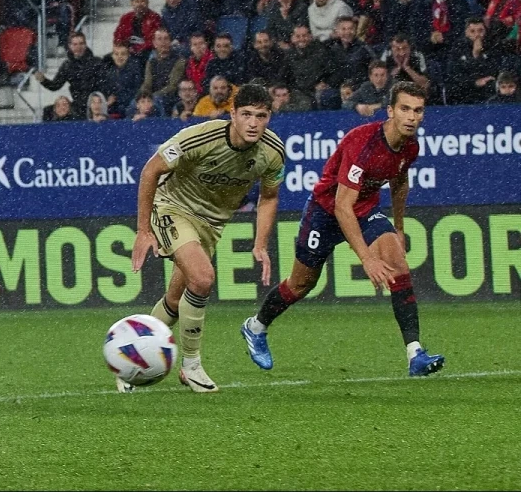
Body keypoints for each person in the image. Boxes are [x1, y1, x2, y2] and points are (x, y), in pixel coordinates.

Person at [239, 82, 445, 378]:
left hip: (364, 211)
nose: (411, 117)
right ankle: (255, 326)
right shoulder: (363, 142)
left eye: (418, 110)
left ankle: (415, 354)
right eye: (404, 109)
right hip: (325, 212)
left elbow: (399, 182)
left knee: (398, 266)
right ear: (390, 111)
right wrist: (367, 259)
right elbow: (341, 206)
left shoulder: (410, 146)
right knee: (300, 285)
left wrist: (398, 227)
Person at [127, 84, 285, 393]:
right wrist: (143, 230)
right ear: (232, 114)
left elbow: (269, 196)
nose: (253, 123)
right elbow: (151, 170)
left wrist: (261, 243)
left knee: (176, 301)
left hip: (212, 225)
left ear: (269, 117)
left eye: (261, 116)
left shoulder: (273, 152)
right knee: (202, 278)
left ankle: (132, 362)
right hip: (173, 208)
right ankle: (191, 366)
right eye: (246, 114)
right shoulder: (200, 137)